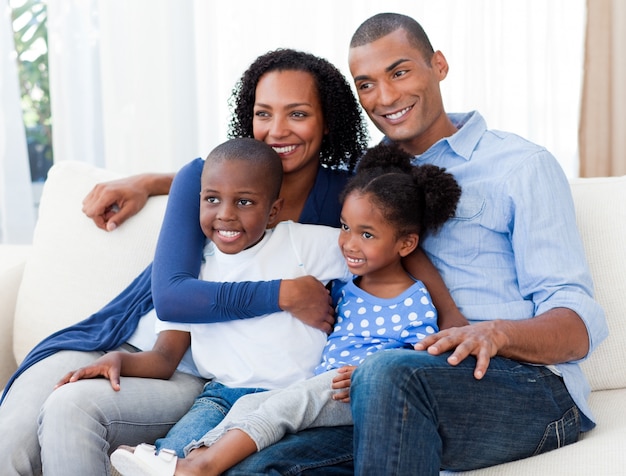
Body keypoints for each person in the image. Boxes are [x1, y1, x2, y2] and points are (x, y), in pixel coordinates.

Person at [100, 13, 608, 475]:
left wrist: (491, 333)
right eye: (367, 84)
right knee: (247, 466)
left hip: (520, 387)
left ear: (439, 65)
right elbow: (250, 180)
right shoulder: (366, 179)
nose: (385, 97)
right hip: (387, 384)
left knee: (386, 371)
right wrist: (149, 182)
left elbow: (578, 326)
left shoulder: (521, 166)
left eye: (400, 72)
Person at [0, 47, 463, 476]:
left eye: (298, 114)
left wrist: (454, 318)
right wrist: (283, 293)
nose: (278, 130)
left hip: (203, 373)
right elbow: (175, 294)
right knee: (11, 442)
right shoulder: (206, 179)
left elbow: (399, 244)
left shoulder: (345, 199)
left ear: (328, 123)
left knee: (75, 412)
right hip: (127, 338)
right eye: (264, 114)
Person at [107, 141, 461, 476]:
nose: (349, 243)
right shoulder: (348, 286)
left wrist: (373, 374)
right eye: (345, 228)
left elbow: (417, 358)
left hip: (349, 388)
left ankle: (203, 464)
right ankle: (194, 455)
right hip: (280, 388)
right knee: (246, 410)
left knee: (280, 406)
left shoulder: (413, 300)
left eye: (364, 235)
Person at [57, 135, 355, 468]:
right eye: (212, 199)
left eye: (244, 202)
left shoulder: (302, 243)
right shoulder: (193, 274)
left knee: (214, 462)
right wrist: (119, 361)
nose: (225, 215)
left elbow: (374, 256)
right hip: (218, 396)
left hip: (286, 396)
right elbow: (165, 356)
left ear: (272, 212)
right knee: (170, 455)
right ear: (197, 201)